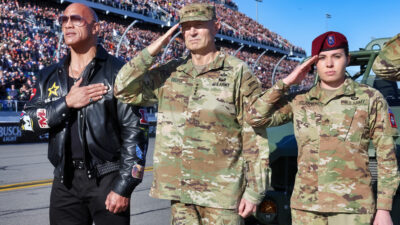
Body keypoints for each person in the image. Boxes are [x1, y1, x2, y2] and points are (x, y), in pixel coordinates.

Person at [114, 3, 269, 224]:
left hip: (223, 195)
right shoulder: (171, 73)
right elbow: (122, 88)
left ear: (215, 27)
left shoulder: (237, 72)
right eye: (186, 27)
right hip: (181, 193)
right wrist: (156, 47)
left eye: (199, 25)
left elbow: (253, 133)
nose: (192, 32)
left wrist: (255, 190)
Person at [245, 31, 400, 225]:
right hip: (306, 209)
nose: (329, 64)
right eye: (322, 58)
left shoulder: (370, 98)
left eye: (337, 56)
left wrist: (384, 209)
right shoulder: (300, 100)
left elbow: (386, 154)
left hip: (352, 210)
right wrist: (287, 82)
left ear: (347, 59)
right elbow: (254, 117)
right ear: (313, 64)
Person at [20, 3, 148, 225]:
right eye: (64, 20)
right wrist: (66, 103)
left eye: (76, 19)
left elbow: (136, 132)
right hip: (64, 183)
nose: (68, 24)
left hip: (108, 179)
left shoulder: (120, 72)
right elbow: (26, 123)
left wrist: (124, 186)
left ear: (96, 28)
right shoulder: (48, 76)